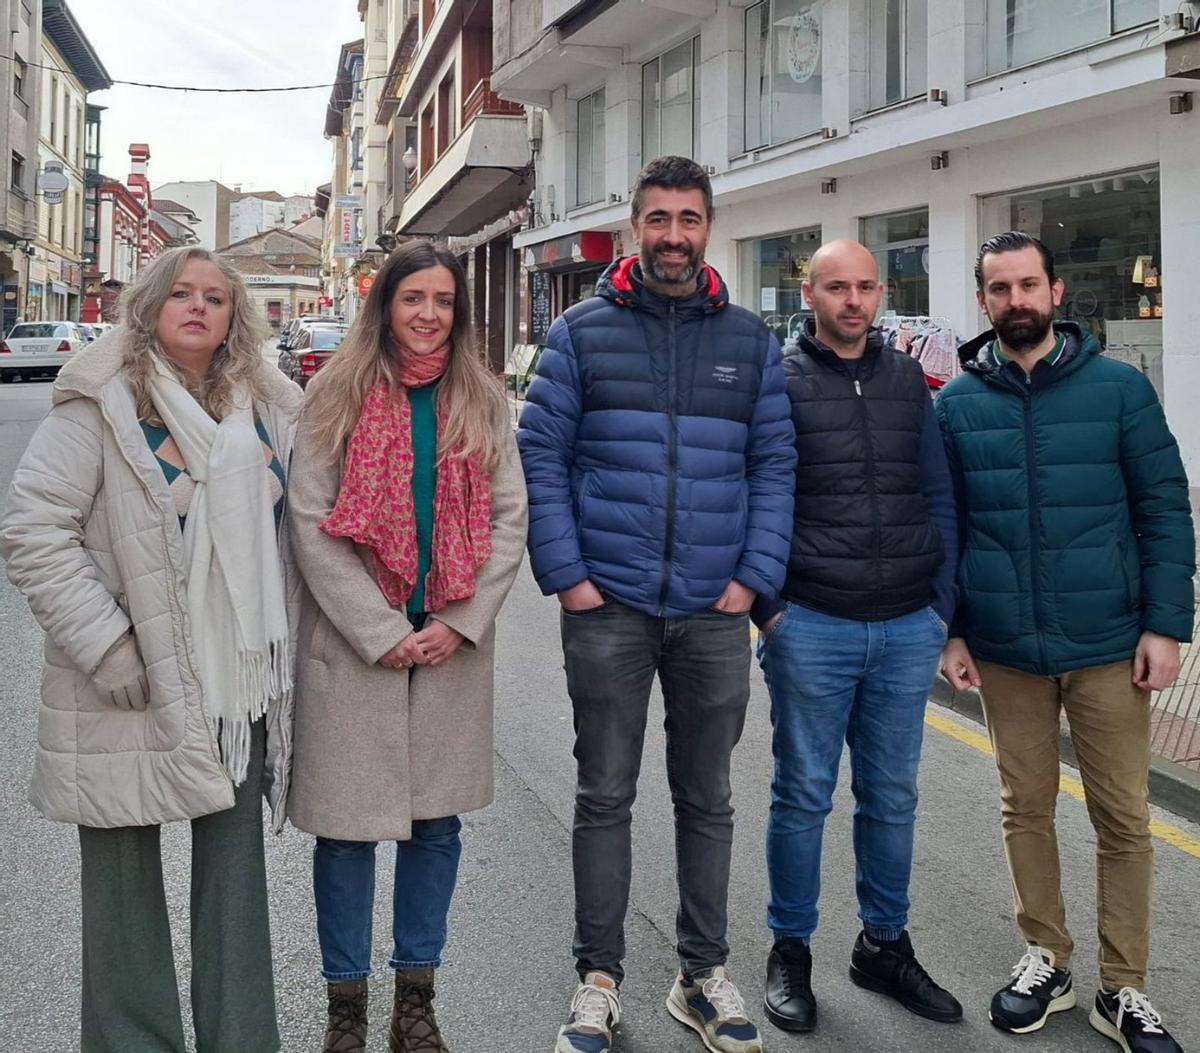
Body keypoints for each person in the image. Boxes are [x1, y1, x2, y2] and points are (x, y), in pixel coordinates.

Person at [518, 155, 796, 1053]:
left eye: (690, 219)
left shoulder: (750, 342)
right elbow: (541, 459)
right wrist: (570, 576)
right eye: (658, 219)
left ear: (709, 226)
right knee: (604, 793)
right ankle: (597, 980)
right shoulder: (580, 333)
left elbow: (774, 467)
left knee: (708, 796)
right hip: (611, 608)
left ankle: (701, 972)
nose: (674, 235)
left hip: (714, 613)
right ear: (635, 226)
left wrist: (751, 581)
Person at [0, 246, 302, 1052]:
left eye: (215, 296)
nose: (198, 307)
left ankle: (242, 1039)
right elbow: (33, 531)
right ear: (150, 306)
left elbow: (297, 529)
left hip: (235, 681)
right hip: (122, 681)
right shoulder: (96, 403)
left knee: (235, 883)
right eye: (181, 293)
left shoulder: (269, 407)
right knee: (123, 881)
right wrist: (107, 645)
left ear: (236, 315)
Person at [936, 232, 1194, 1053]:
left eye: (1028, 284)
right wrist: (950, 631)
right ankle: (1046, 954)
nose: (1016, 300)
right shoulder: (956, 406)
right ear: (983, 301)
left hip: (1110, 644)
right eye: (1000, 288)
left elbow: (1163, 510)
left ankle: (1124, 987)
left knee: (1124, 816)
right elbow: (945, 530)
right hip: (1006, 646)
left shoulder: (1120, 390)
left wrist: (1166, 624)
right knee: (1026, 808)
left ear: (1055, 291)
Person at [286, 240, 528, 1053]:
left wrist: (457, 622)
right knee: (347, 832)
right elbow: (311, 522)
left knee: (436, 829)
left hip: (449, 644)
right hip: (359, 649)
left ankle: (414, 1001)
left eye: (444, 301)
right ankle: (345, 1008)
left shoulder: (484, 401)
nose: (429, 314)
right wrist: (381, 630)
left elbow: (508, 520)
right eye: (412, 298)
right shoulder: (335, 393)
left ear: (461, 314)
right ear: (384, 305)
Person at [751, 239, 963, 1035]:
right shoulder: (778, 379)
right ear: (807, 291)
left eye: (865, 286)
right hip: (812, 621)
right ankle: (791, 949)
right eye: (836, 286)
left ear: (882, 293)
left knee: (893, 797)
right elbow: (758, 494)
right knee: (803, 795)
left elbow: (937, 492)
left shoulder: (909, 379)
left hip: (908, 625)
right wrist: (771, 609)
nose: (852, 300)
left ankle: (883, 943)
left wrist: (940, 606)